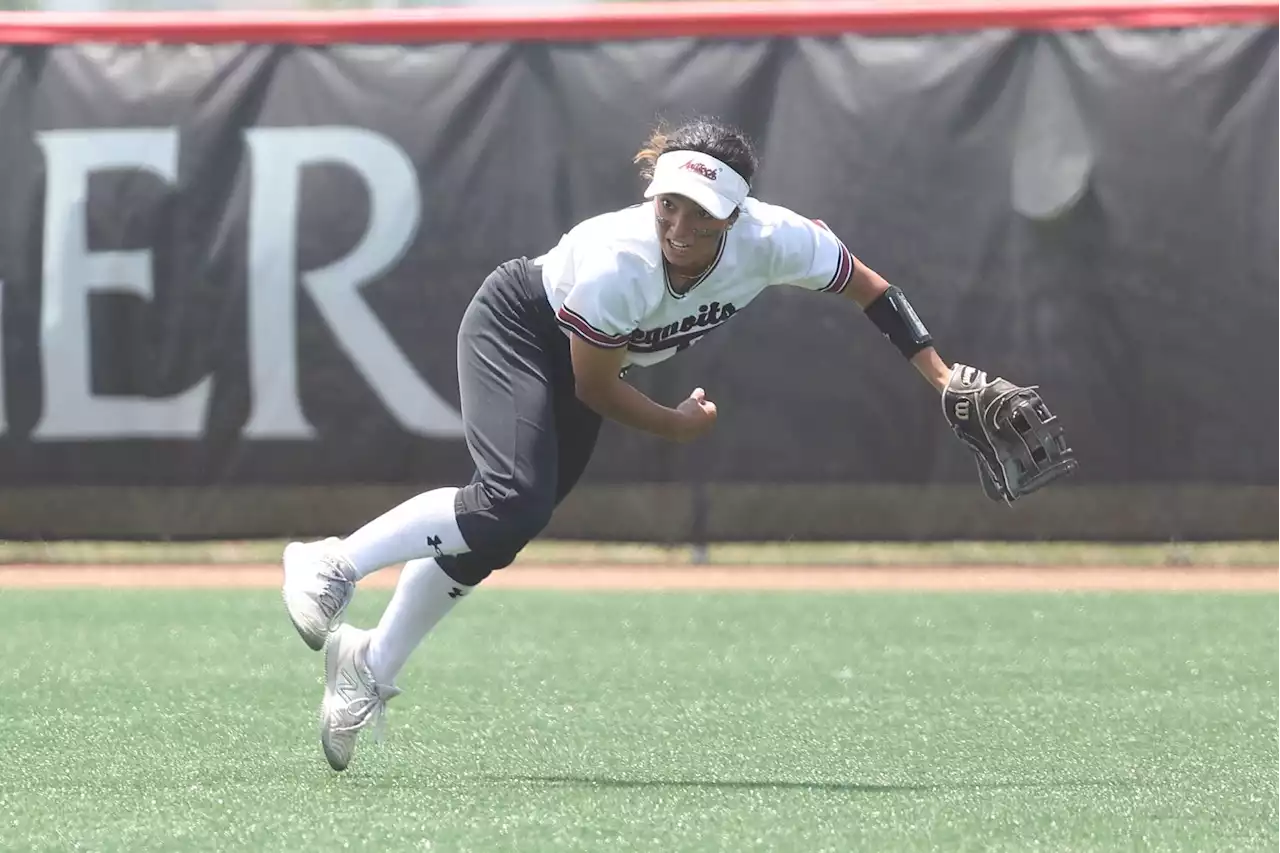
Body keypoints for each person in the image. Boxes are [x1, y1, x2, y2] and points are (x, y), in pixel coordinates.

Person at [280, 117, 1075, 772]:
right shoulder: (620, 262)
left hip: (595, 354)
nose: (680, 226)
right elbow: (594, 387)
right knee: (508, 499)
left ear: (737, 214)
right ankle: (332, 562)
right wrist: (677, 423)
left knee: (503, 528)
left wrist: (939, 378)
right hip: (523, 328)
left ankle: (367, 667)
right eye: (669, 205)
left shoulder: (775, 240)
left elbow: (869, 286)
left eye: (701, 213)